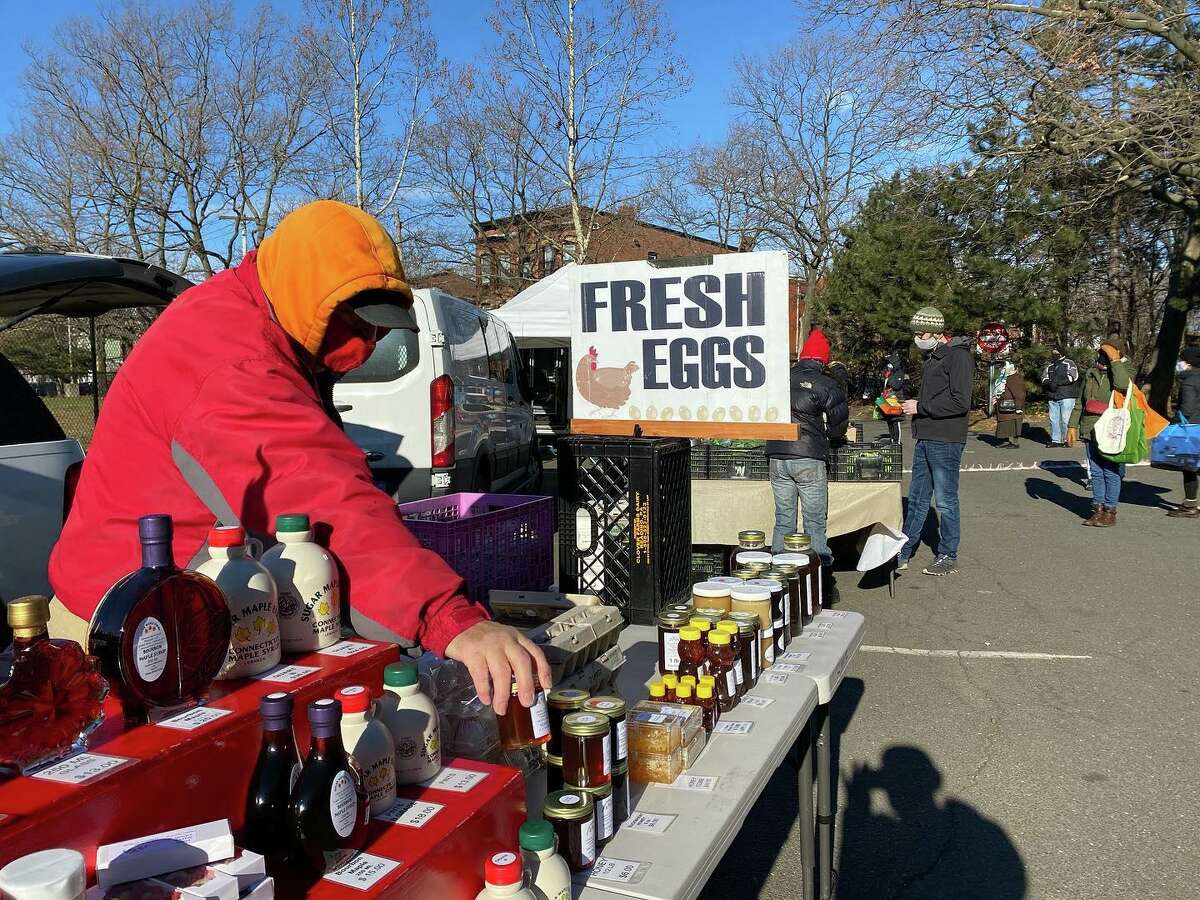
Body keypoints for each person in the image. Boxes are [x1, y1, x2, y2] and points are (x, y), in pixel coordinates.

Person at [47, 200, 550, 714]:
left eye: (381, 327)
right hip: (134, 628)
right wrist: (447, 617)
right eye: (358, 321)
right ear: (309, 297)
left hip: (195, 607)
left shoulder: (264, 316)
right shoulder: (231, 360)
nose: (370, 340)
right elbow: (321, 494)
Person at [766, 328, 849, 597]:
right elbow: (838, 426)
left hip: (777, 454)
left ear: (802, 357)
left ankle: (779, 581)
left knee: (784, 520)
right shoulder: (826, 384)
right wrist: (831, 437)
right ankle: (820, 583)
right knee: (813, 522)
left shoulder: (779, 378)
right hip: (809, 457)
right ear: (823, 360)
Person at [897, 307, 974, 576]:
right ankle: (904, 550)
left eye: (921, 332)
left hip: (946, 438)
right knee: (918, 498)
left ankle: (948, 554)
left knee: (945, 500)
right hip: (927, 436)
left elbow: (961, 401)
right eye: (915, 332)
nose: (918, 337)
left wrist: (921, 406)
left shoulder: (958, 357)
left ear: (937, 332)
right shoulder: (933, 357)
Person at [1066, 337, 1132, 527]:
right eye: (1101, 352)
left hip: (1112, 428)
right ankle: (1098, 508)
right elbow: (1080, 400)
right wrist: (1072, 426)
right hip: (1090, 427)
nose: (1102, 356)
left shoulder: (1125, 370)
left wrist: (1115, 361)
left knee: (1111, 471)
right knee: (1095, 472)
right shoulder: (1091, 372)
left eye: (1107, 353)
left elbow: (1123, 385)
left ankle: (1110, 511)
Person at [1166, 346, 1200, 518]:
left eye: (1182, 360)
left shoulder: (1189, 381)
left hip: (1192, 429)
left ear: (1188, 363)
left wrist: (1172, 425)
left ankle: (1190, 505)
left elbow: (1186, 409)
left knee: (1190, 468)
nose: (1179, 363)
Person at [1040, 349, 1080, 446]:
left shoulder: (1069, 363)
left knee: (1066, 419)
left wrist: (1057, 383)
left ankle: (1067, 440)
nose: (1054, 354)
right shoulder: (1049, 366)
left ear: (1061, 353)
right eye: (1053, 352)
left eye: (1056, 352)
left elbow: (1073, 377)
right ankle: (1056, 440)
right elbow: (1043, 378)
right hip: (1052, 396)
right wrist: (1049, 383)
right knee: (1053, 419)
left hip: (1067, 395)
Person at [993, 360, 1026, 449]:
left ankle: (1014, 442)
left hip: (1012, 406)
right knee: (1005, 424)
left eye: (1005, 367)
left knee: (1013, 423)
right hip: (1004, 406)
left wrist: (1019, 407)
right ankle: (1006, 440)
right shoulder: (1004, 378)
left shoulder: (1015, 378)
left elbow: (1019, 393)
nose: (1003, 369)